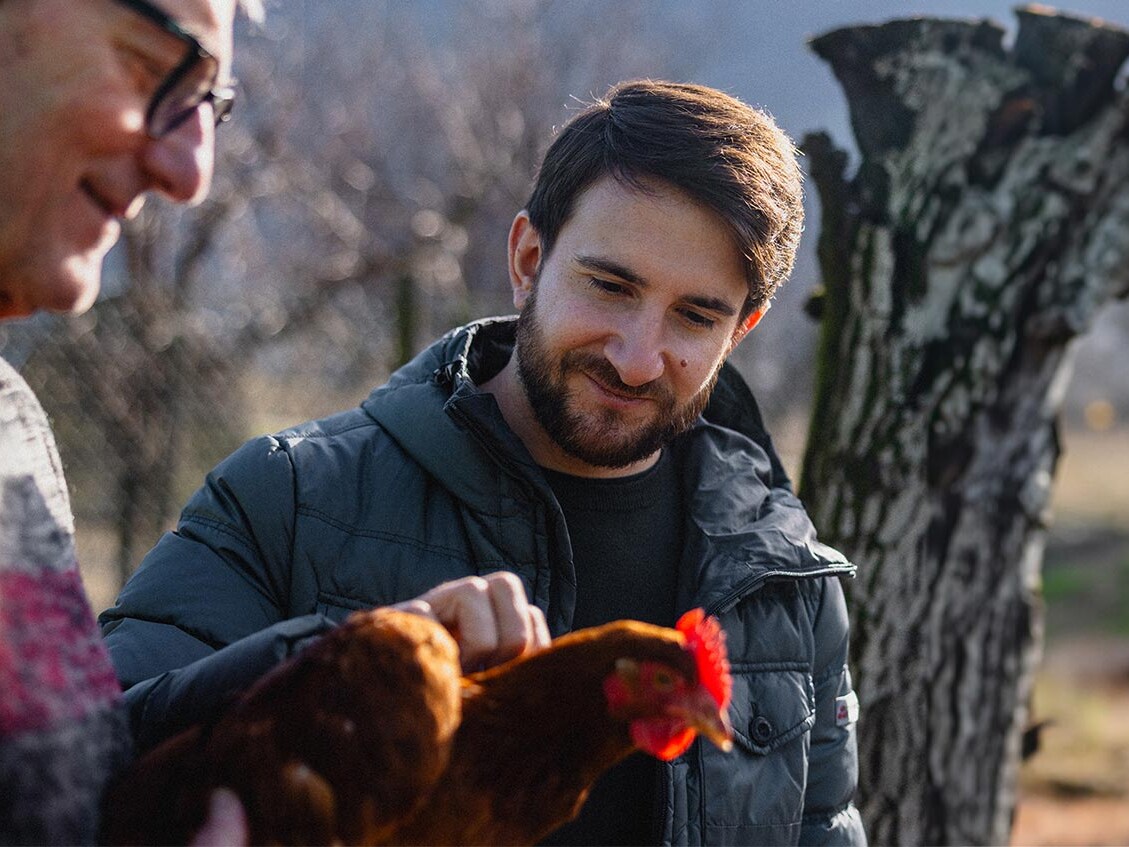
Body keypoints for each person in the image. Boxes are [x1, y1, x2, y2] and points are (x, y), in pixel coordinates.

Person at [101, 80, 866, 846]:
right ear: (529, 259)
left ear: (740, 331)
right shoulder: (290, 497)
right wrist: (347, 657)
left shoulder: (784, 584)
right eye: (608, 285)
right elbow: (86, 751)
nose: (637, 358)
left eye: (695, 315)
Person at [0, 1, 545, 842]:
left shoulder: (14, 429)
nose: (192, 173)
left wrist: (340, 666)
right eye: (152, 69)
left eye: (210, 106)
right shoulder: (283, 488)